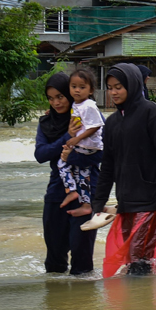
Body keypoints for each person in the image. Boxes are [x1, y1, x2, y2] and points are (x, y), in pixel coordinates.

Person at [92, 63, 156, 277]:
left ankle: (143, 306)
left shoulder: (151, 112)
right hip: (126, 201)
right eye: (110, 87)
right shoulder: (112, 122)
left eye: (118, 87)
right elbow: (108, 166)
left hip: (151, 198)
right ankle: (135, 307)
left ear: (132, 85)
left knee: (140, 260)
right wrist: (98, 202)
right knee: (132, 260)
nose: (113, 92)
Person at [35, 72, 101, 275]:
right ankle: (57, 303)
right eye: (51, 98)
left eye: (60, 96)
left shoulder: (89, 117)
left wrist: (70, 156)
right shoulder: (46, 123)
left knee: (82, 261)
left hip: (86, 195)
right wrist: (68, 136)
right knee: (54, 261)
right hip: (57, 192)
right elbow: (40, 154)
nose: (56, 102)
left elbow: (103, 153)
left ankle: (82, 305)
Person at [57, 69, 104, 218]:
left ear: (91, 90)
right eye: (74, 86)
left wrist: (77, 139)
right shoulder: (77, 104)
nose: (77, 90)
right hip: (84, 146)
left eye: (82, 87)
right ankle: (86, 204)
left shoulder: (89, 105)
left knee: (62, 163)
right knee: (83, 174)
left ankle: (71, 191)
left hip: (89, 146)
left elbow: (96, 125)